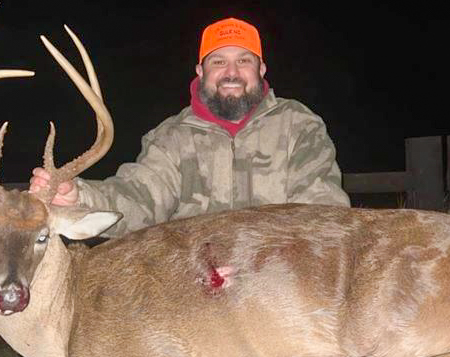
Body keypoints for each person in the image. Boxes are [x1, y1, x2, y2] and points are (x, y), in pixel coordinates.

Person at [30, 18, 350, 238]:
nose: (231, 72)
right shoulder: (172, 138)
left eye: (244, 61)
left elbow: (322, 213)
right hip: (193, 290)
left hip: (279, 283)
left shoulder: (299, 127)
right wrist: (79, 197)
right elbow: (139, 198)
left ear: (262, 68)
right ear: (201, 70)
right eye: (218, 62)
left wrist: (251, 261)